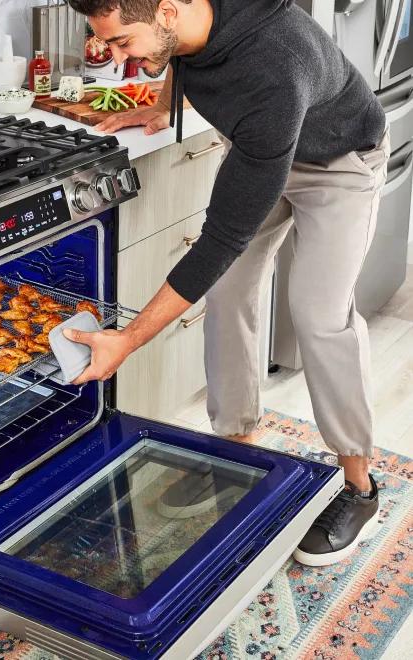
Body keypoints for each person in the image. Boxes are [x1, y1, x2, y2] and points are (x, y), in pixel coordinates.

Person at [65, 0, 388, 567]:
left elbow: (221, 239)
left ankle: (360, 486)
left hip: (339, 162)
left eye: (121, 44)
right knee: (230, 292)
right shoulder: (182, 22)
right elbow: (186, 57)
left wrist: (129, 339)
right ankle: (236, 456)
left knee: (318, 313)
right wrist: (160, 109)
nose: (115, 59)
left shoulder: (272, 69)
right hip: (263, 150)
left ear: (165, 10)